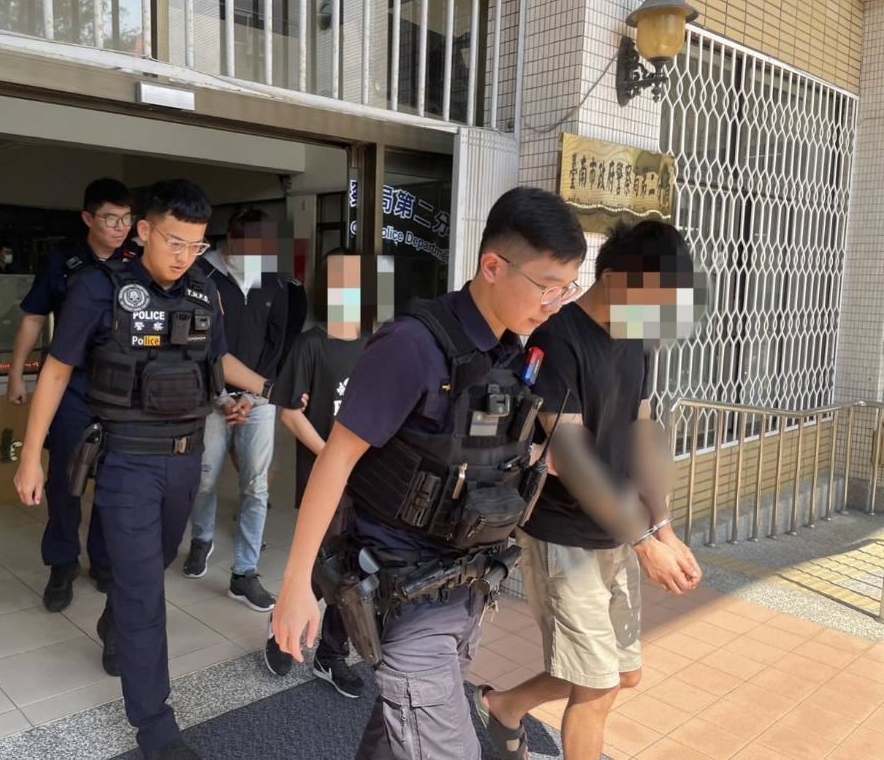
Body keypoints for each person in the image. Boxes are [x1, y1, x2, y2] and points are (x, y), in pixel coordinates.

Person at [272, 187, 587, 760]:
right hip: (404, 594)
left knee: (397, 737)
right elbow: (336, 460)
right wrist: (296, 587)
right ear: (493, 266)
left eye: (568, 288)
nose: (556, 304)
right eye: (548, 286)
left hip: (466, 588)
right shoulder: (412, 346)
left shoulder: (510, 351)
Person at [13, 179, 274, 760]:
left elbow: (218, 358)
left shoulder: (205, 290)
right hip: (127, 461)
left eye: (196, 245)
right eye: (175, 242)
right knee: (144, 594)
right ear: (144, 231)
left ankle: (115, 623)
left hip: (185, 459)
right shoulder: (97, 289)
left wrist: (263, 388)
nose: (185, 256)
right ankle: (156, 728)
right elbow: (56, 370)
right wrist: (32, 456)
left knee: (151, 565)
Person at [477, 220, 705, 760]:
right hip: (564, 536)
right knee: (596, 686)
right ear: (621, 279)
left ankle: (504, 706)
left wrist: (663, 528)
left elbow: (643, 430)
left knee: (622, 674)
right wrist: (646, 543)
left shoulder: (636, 336)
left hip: (615, 531)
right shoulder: (557, 339)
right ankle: (506, 710)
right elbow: (570, 454)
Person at [7, 177, 137, 612]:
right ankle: (62, 564)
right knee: (66, 479)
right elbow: (33, 316)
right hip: (71, 385)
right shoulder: (63, 260)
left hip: (121, 390)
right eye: (110, 218)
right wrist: (16, 374)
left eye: (126, 219)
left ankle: (103, 560)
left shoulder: (138, 261)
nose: (120, 228)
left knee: (113, 478)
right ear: (88, 218)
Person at [181, 208, 299, 613]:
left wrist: (253, 396)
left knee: (256, 487)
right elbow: (197, 343)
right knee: (204, 479)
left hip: (258, 402)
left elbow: (278, 343)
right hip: (210, 398)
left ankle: (244, 572)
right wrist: (222, 397)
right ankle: (201, 540)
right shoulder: (201, 275)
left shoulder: (274, 282)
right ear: (231, 239)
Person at [262, 249, 368, 698]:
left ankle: (331, 653)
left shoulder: (377, 346)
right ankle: (283, 629)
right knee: (318, 564)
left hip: (369, 484)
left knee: (355, 571)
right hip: (325, 479)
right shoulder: (311, 344)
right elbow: (290, 412)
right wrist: (332, 459)